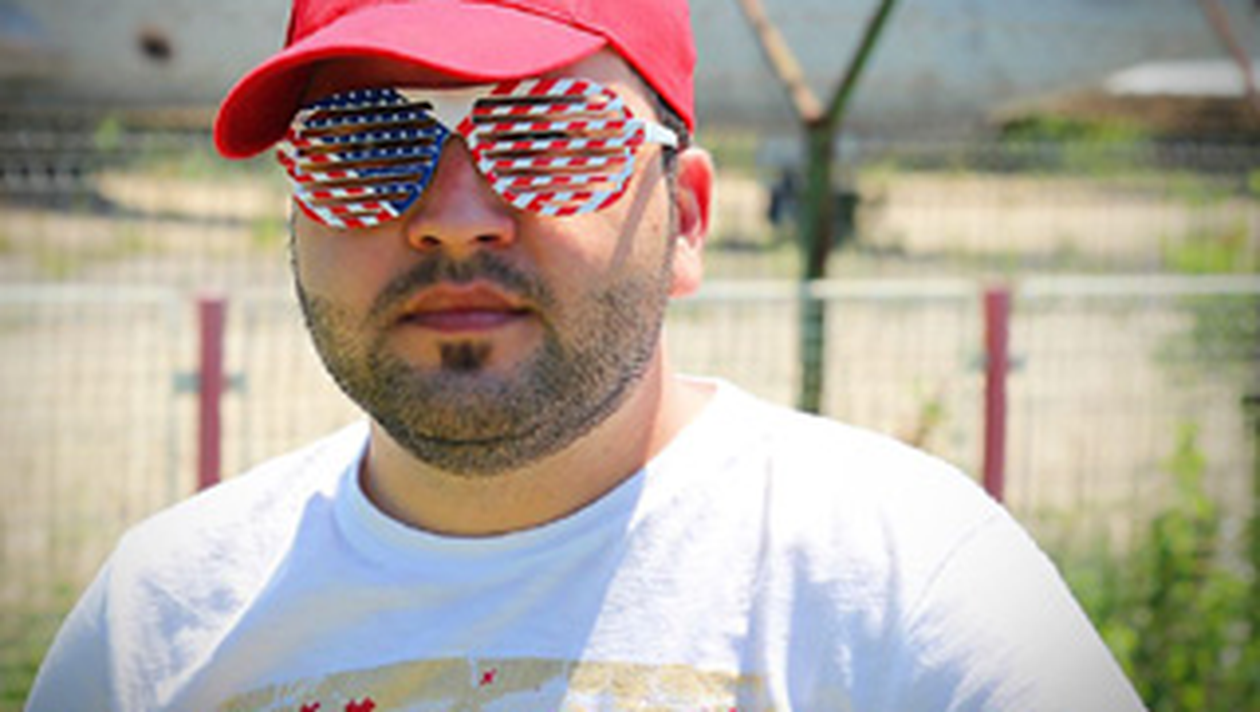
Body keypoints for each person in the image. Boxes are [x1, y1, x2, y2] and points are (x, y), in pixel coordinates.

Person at [28, 1, 1145, 710]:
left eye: (549, 139)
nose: (454, 219)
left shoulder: (904, 590)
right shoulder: (154, 626)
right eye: (364, 147)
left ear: (687, 220)